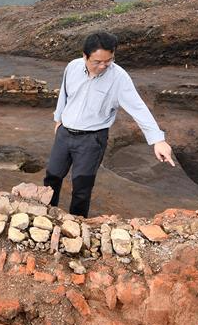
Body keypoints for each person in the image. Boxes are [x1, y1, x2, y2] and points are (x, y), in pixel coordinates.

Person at [44, 31, 175, 217]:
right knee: (52, 177)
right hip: (64, 134)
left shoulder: (119, 78)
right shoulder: (72, 67)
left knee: (82, 187)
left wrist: (157, 140)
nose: (104, 66)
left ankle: (76, 225)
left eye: (109, 60)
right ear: (85, 56)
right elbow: (64, 94)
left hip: (91, 140)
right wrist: (59, 119)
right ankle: (46, 216)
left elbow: (138, 108)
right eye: (97, 62)